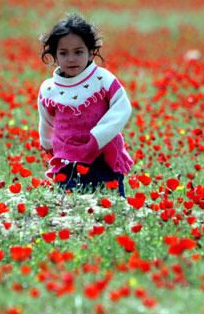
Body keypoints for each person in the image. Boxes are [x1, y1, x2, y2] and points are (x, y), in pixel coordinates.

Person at [37, 13, 133, 197]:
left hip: (102, 154)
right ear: (55, 55)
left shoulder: (102, 79)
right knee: (71, 204)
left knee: (109, 201)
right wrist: (48, 144)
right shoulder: (49, 89)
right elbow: (46, 120)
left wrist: (98, 136)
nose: (71, 59)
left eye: (78, 52)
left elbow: (122, 107)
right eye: (63, 53)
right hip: (67, 157)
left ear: (90, 52)